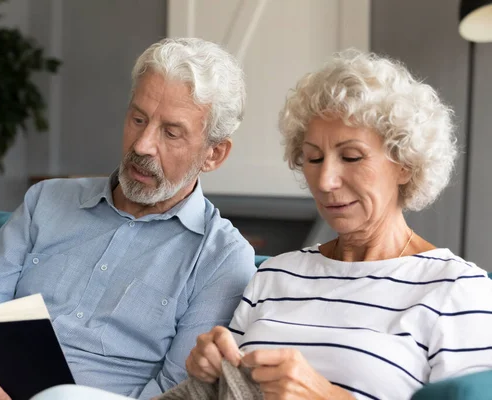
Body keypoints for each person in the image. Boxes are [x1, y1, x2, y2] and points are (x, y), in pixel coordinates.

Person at [0, 37, 257, 399]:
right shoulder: (47, 201)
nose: (142, 144)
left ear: (214, 154)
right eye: (138, 118)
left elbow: (177, 392)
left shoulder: (221, 258)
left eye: (170, 132)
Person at [185, 50, 492, 400]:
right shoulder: (276, 276)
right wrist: (210, 368)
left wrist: (328, 397)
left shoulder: (456, 290)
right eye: (314, 158)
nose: (326, 180)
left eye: (351, 157)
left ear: (404, 164)